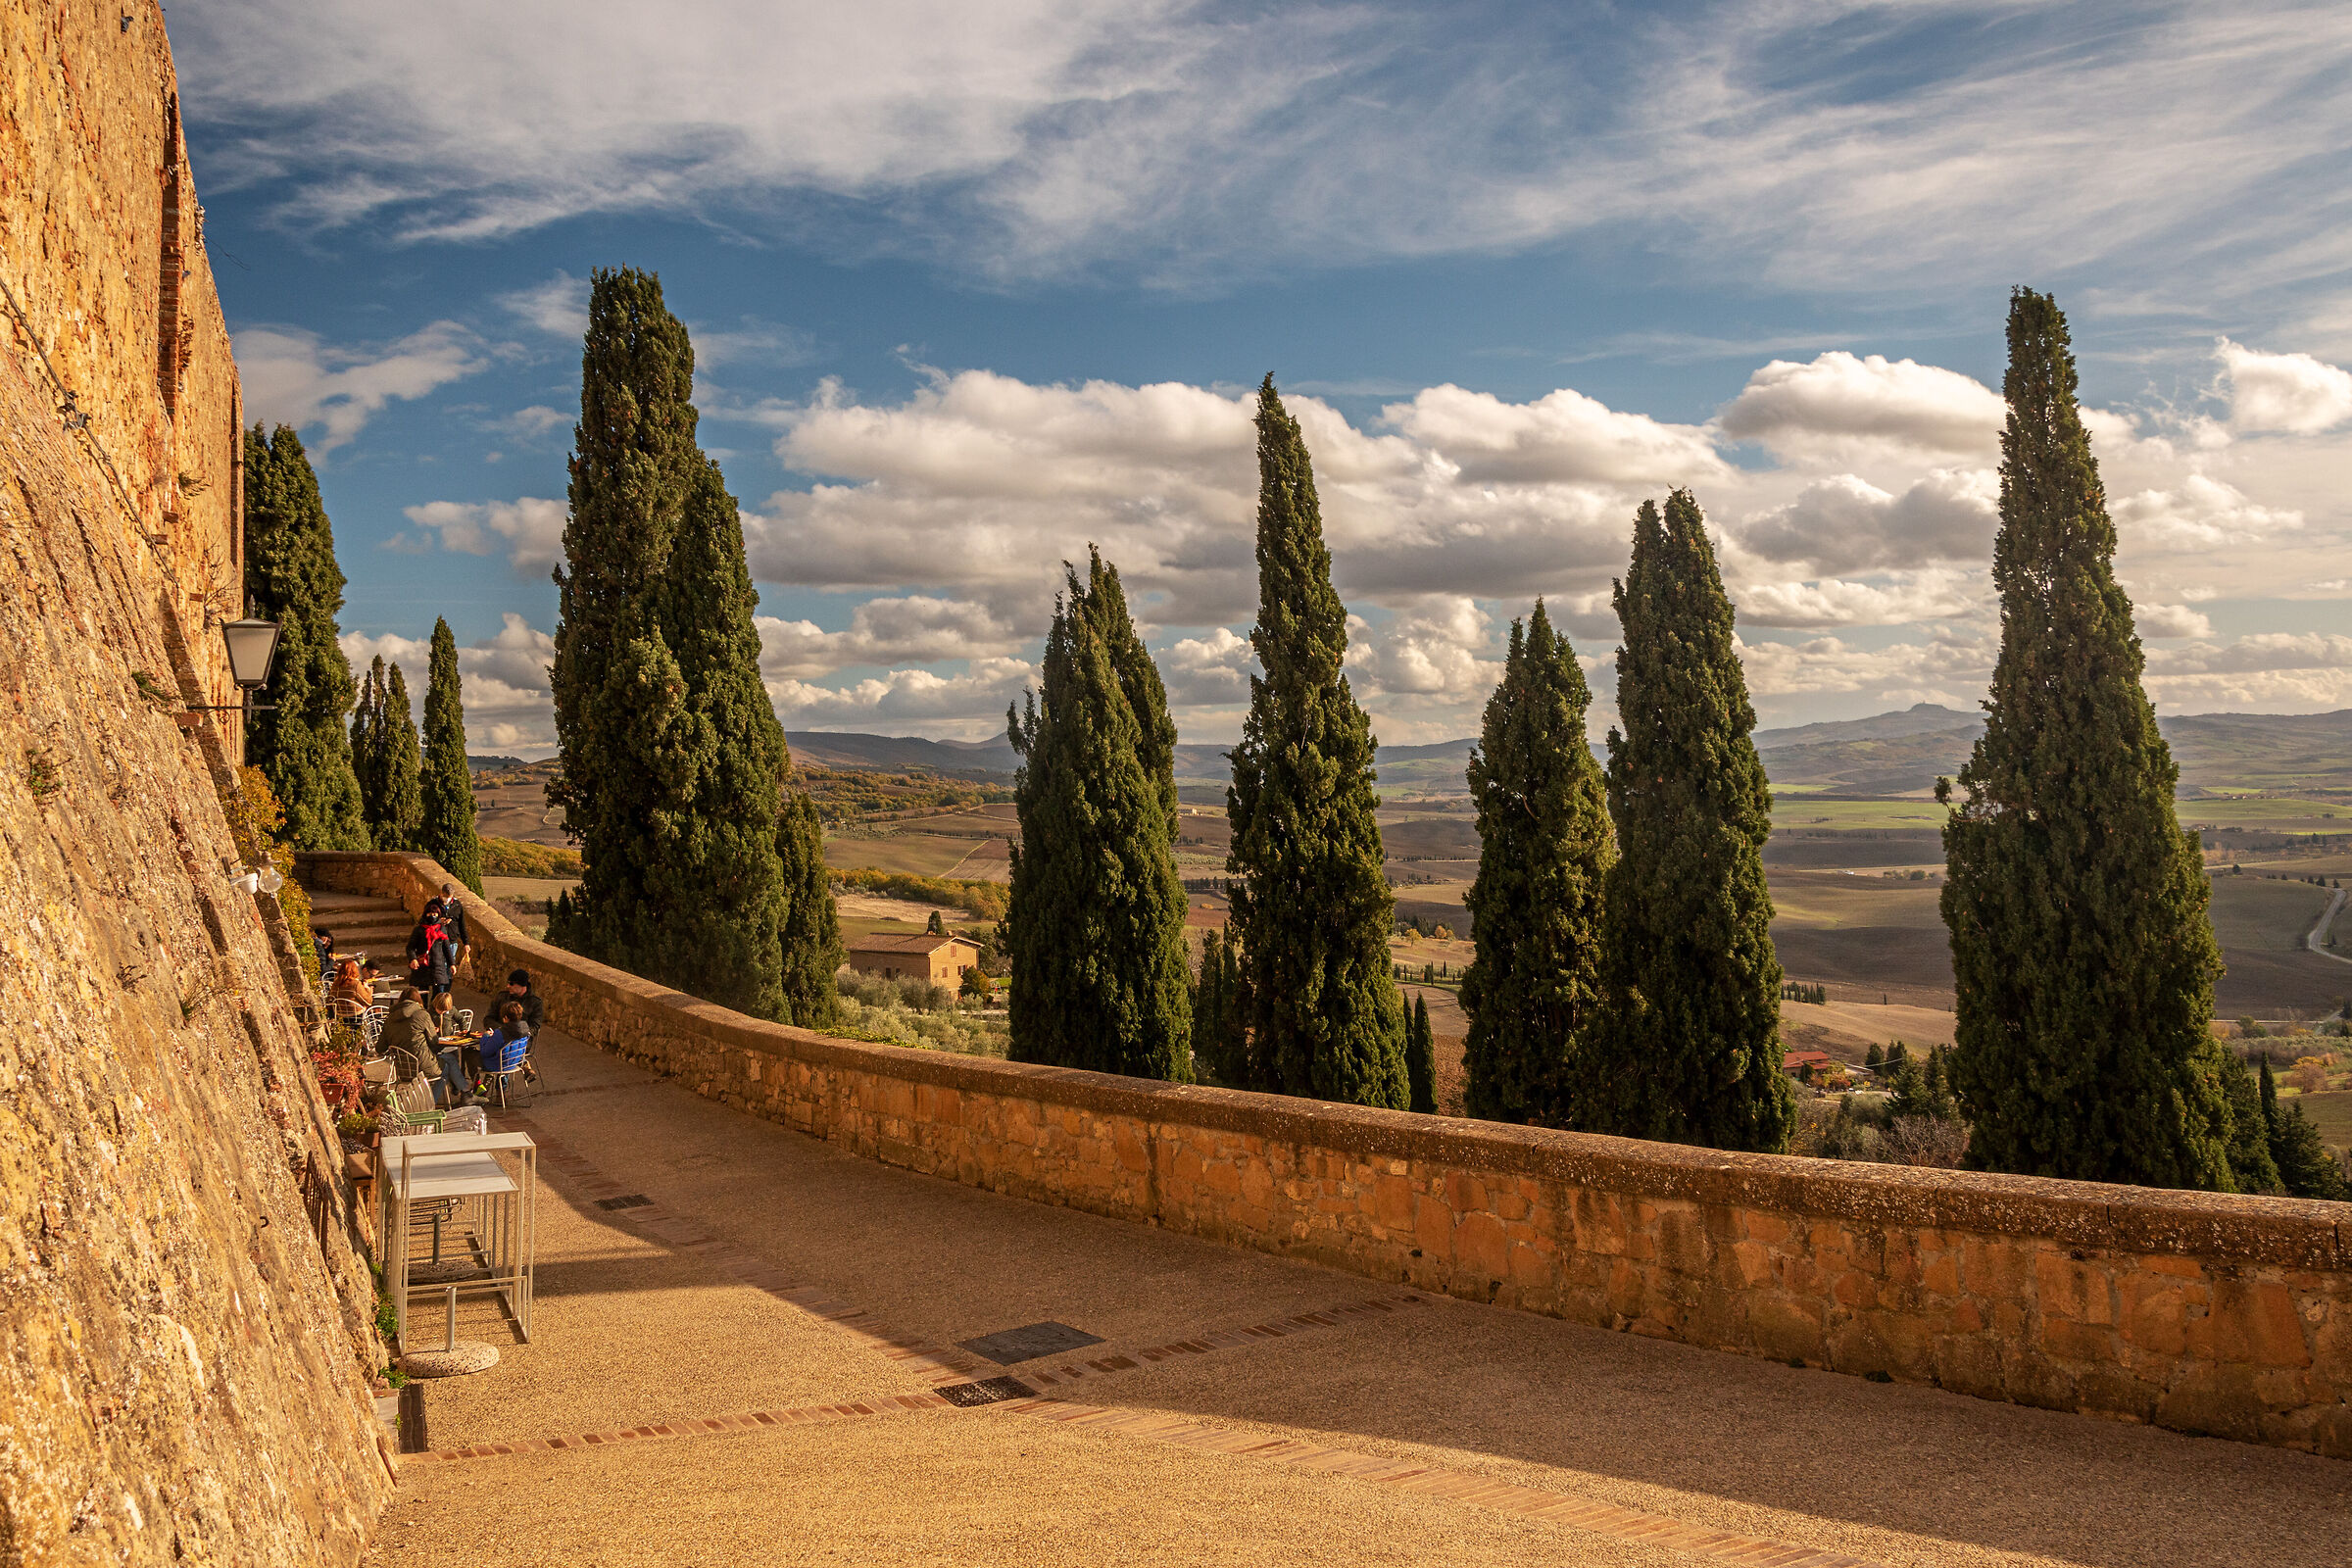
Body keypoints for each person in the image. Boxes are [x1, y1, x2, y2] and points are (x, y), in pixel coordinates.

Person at [379, 987, 441, 1092]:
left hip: (403, 1070)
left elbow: (379, 1048)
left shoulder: (390, 1019)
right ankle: (434, 1100)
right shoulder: (423, 1015)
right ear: (418, 1000)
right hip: (422, 1068)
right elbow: (434, 1043)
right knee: (449, 1062)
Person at [439, 883, 471, 973]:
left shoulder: (457, 905)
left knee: (450, 966)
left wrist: (466, 943)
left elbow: (461, 924)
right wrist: (439, 921)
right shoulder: (434, 904)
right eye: (446, 896)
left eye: (449, 897)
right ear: (441, 893)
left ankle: (447, 984)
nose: (447, 899)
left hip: (451, 941)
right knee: (440, 966)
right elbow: (425, 920)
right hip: (438, 940)